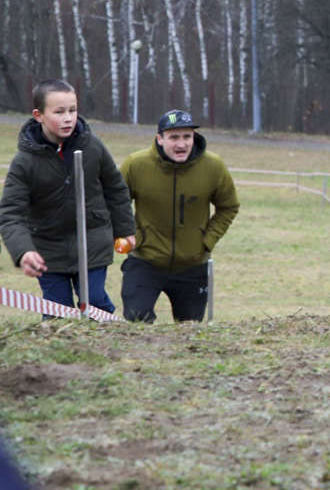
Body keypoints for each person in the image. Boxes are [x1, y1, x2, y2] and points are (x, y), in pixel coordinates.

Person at [0, 79, 134, 314]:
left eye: (73, 110)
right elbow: (10, 213)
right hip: (48, 249)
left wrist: (125, 230)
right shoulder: (24, 162)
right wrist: (24, 251)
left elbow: (115, 188)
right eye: (59, 112)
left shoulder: (93, 146)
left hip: (92, 241)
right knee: (57, 309)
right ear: (39, 115)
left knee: (94, 300)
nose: (68, 118)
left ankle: (107, 330)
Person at [118, 109, 240, 322]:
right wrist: (135, 235)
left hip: (193, 266)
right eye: (174, 137)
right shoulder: (135, 165)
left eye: (187, 137)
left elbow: (228, 206)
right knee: (136, 320)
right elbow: (116, 204)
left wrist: (206, 241)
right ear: (160, 139)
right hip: (145, 261)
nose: (181, 144)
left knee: (190, 330)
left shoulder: (214, 166)